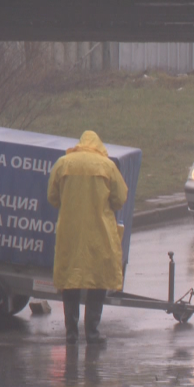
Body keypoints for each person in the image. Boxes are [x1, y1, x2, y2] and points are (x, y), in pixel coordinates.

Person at [47, 130, 128, 345]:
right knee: (97, 282)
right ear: (98, 146)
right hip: (98, 233)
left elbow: (52, 198)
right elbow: (120, 199)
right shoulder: (107, 166)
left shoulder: (63, 164)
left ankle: (71, 333)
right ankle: (92, 333)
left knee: (70, 283)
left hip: (70, 233)